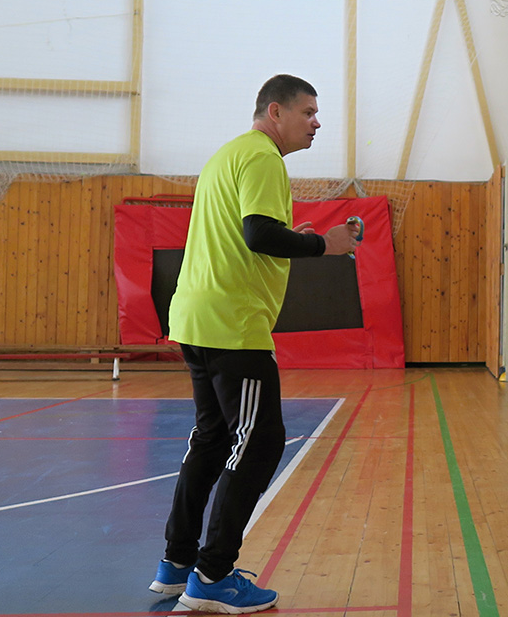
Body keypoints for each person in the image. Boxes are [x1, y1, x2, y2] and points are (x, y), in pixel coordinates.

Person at [149, 74, 360, 613]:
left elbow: (252, 234)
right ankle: (212, 575)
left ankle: (176, 564)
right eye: (308, 112)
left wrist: (299, 237)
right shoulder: (265, 158)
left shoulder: (229, 154)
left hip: (195, 316)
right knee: (260, 443)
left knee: (213, 438)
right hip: (233, 323)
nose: (317, 122)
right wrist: (325, 244)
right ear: (275, 113)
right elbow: (258, 234)